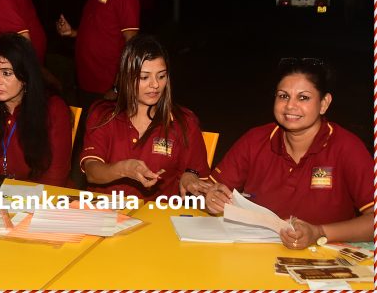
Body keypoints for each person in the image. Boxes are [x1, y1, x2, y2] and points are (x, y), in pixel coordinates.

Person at [206, 58, 373, 249]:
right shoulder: (256, 140)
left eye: (303, 98)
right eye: (283, 96)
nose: (290, 106)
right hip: (256, 253)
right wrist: (211, 199)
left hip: (324, 257)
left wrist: (319, 232)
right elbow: (210, 190)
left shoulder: (346, 147)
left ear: (324, 103)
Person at [80, 35, 210, 200]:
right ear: (125, 77)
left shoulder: (183, 122)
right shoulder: (103, 115)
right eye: (144, 77)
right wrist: (125, 168)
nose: (155, 84)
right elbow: (92, 171)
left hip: (158, 213)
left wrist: (190, 178)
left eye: (161, 76)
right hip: (103, 209)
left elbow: (196, 174)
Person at [0, 33, 71, 187]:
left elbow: (54, 179)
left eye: (6, 73)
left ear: (25, 75)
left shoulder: (53, 110)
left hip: (38, 197)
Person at [56, 0, 140, 108]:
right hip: (87, 84)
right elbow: (102, 31)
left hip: (106, 89)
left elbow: (132, 44)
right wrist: (72, 33)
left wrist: (117, 87)